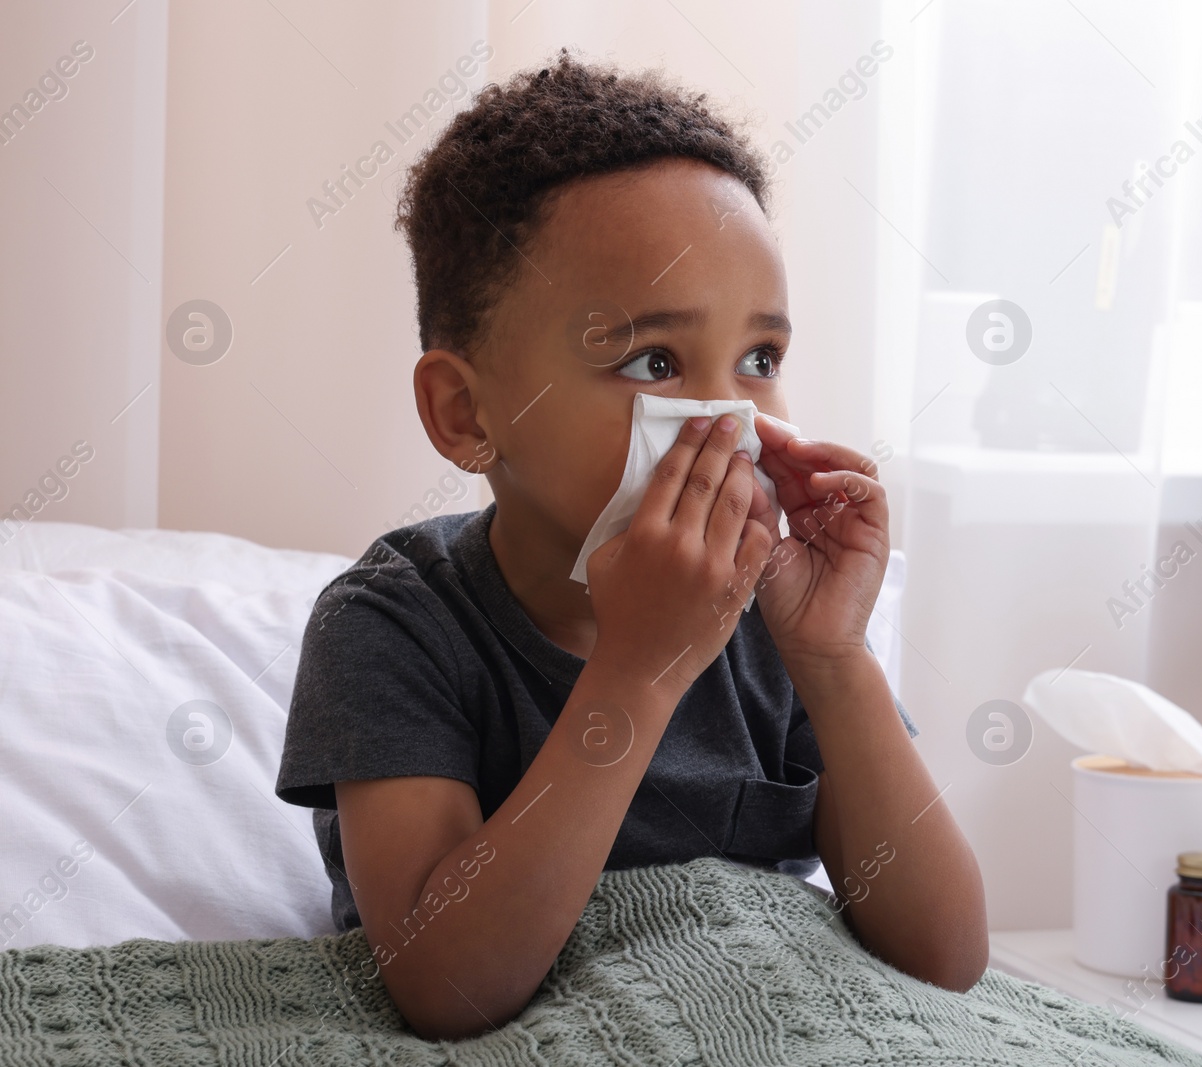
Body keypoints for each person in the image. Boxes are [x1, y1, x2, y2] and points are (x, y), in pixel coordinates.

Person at [275, 49, 986, 1040]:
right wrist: (640, 669)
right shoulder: (391, 622)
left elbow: (944, 957)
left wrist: (834, 656)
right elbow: (448, 987)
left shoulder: (774, 628)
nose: (727, 411)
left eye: (759, 358)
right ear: (465, 410)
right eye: (654, 360)